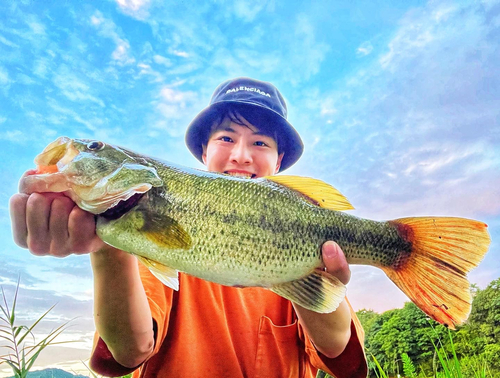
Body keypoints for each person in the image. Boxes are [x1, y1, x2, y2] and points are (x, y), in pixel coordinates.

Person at [10, 77, 367, 378]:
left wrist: (313, 276)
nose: (241, 155)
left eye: (260, 143)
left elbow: (341, 355)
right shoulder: (151, 248)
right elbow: (129, 351)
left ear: (280, 160)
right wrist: (108, 246)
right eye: (226, 138)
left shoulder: (301, 230)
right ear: (203, 152)